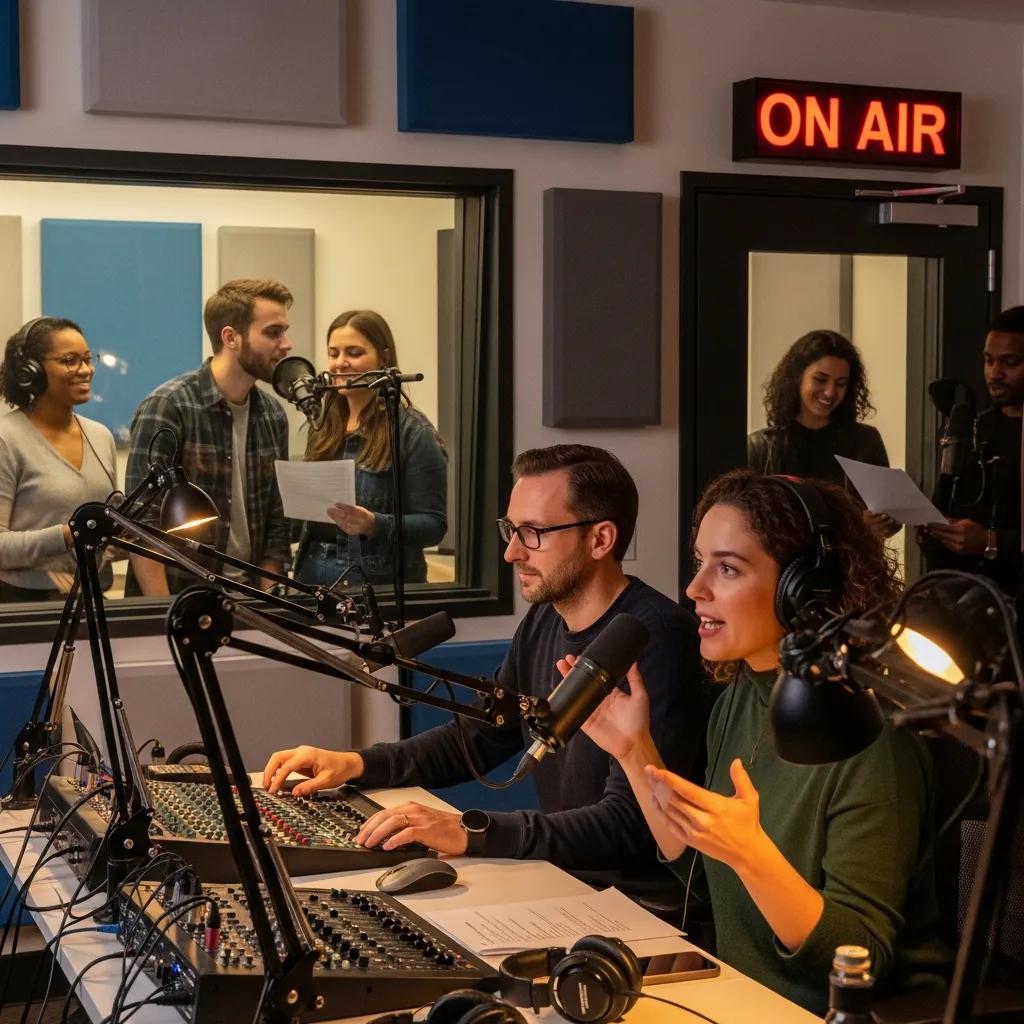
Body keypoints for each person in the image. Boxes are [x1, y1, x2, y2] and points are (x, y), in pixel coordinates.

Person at [264, 444, 710, 904]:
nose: (512, 552)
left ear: (600, 539)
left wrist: (472, 831)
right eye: (511, 530)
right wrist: (358, 764)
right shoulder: (543, 622)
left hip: (640, 907)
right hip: (567, 883)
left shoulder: (659, 642)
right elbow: (481, 735)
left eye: (533, 533)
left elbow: (628, 826)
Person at [576, 469, 948, 1014]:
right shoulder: (744, 697)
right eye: (700, 560)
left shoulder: (870, 736)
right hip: (741, 999)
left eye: (727, 568)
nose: (694, 588)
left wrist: (753, 855)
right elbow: (700, 875)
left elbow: (858, 956)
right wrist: (635, 752)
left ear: (804, 589)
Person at [124, 278, 293, 595]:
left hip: (250, 600)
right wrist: (163, 612)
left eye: (285, 331)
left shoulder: (273, 414)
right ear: (231, 337)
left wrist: (270, 600)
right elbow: (141, 527)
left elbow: (276, 520)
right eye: (273, 332)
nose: (286, 344)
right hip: (183, 599)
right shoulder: (167, 407)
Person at [293, 310, 447, 587]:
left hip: (377, 582)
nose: (340, 363)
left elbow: (434, 526)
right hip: (312, 576)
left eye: (354, 352)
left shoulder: (412, 431)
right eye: (333, 353)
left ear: (383, 358)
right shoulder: (322, 426)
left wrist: (373, 524)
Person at [0, 317, 117, 602]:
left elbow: (109, 530)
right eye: (70, 361)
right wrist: (68, 535)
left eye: (88, 359)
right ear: (32, 372)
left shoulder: (100, 436)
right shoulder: (6, 439)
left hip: (91, 600)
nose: (86, 370)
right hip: (25, 607)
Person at [748, 329, 897, 538]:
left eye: (841, 384)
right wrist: (852, 527)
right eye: (820, 379)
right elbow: (754, 525)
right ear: (797, 378)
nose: (830, 392)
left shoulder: (865, 440)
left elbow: (890, 520)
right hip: (786, 568)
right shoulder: (760, 446)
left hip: (849, 567)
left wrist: (881, 524)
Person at [917, 306, 1023, 594]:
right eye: (988, 361)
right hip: (967, 605)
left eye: (1009, 362)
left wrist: (991, 541)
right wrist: (934, 530)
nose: (995, 373)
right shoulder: (979, 426)